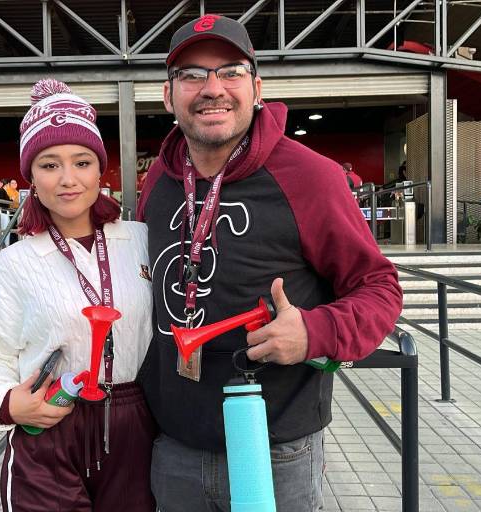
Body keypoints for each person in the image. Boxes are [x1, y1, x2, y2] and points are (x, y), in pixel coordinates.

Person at [136, 15, 402, 512]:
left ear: (256, 87)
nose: (212, 88)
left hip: (277, 450)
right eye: (192, 74)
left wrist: (316, 332)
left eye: (231, 71)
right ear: (168, 96)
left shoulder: (312, 176)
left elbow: (380, 287)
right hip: (173, 448)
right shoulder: (159, 181)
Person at [0, 79, 156, 512]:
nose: (68, 179)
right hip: (49, 423)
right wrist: (10, 404)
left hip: (133, 425)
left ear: (99, 169)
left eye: (82, 162)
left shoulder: (140, 241)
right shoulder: (15, 263)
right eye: (49, 165)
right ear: (30, 176)